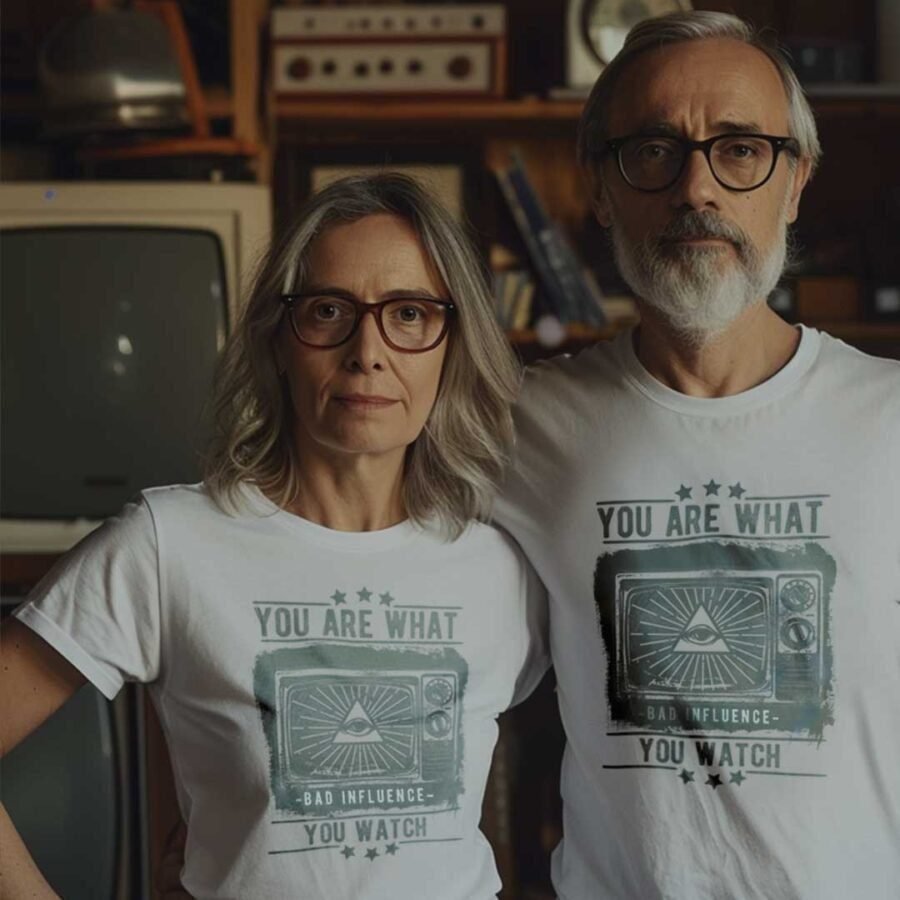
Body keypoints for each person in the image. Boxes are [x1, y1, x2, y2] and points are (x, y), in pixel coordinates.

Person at [0, 174, 548, 899]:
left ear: (453, 342)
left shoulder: (505, 566)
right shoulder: (170, 544)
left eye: (410, 314)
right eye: (328, 310)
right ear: (278, 338)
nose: (368, 351)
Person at [495, 10, 900, 899]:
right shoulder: (515, 428)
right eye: (652, 151)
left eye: (741, 150)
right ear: (599, 187)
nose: (697, 190)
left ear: (795, 183)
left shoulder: (893, 423)